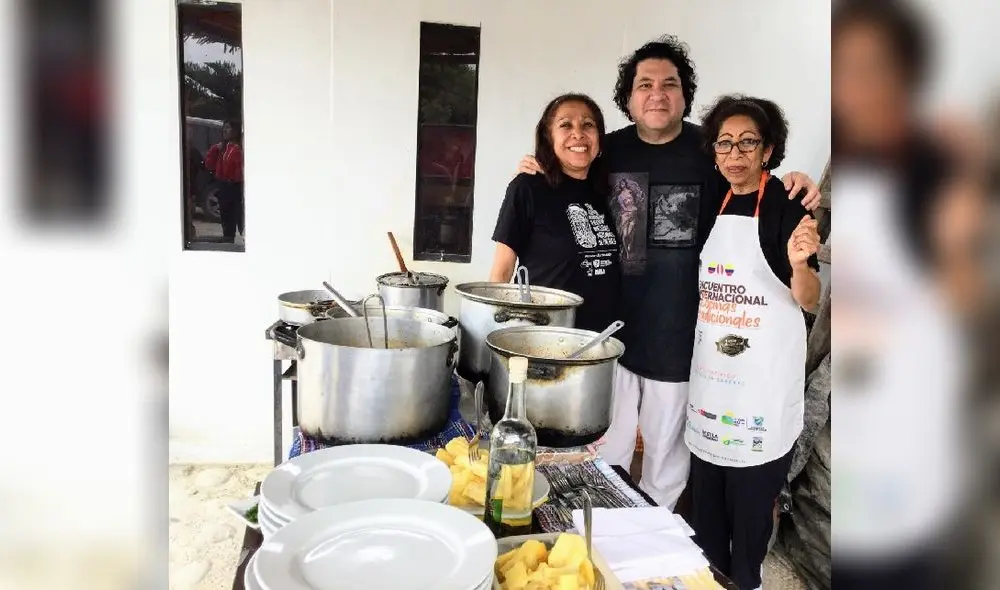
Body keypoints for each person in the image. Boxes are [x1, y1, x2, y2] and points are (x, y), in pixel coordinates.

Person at [517, 36, 822, 509]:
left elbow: (753, 177)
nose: (657, 93)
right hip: (609, 335)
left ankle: (651, 558)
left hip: (682, 338)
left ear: (684, 94)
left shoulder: (710, 151)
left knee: (666, 465)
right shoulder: (606, 151)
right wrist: (537, 168)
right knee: (603, 453)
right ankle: (601, 547)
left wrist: (794, 181)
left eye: (669, 84)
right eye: (645, 84)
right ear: (629, 98)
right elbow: (564, 174)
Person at [683, 94, 820, 590]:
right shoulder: (711, 203)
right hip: (713, 389)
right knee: (707, 524)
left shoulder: (785, 206)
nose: (735, 155)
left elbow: (808, 301)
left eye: (747, 143)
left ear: (768, 150)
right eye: (724, 144)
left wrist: (802, 265)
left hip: (759, 396)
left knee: (750, 524)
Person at [490, 93, 620, 332]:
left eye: (588, 125)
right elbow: (501, 271)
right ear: (549, 137)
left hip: (599, 339)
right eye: (565, 125)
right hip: (542, 336)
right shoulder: (527, 187)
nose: (578, 133)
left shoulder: (607, 191)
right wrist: (491, 329)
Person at [205, 119, 245, 241]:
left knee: (238, 217)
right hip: (224, 186)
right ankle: (228, 238)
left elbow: (238, 171)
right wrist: (215, 149)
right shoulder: (223, 148)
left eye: (228, 128)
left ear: (235, 131)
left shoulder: (237, 149)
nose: (225, 130)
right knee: (226, 217)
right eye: (224, 127)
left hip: (235, 186)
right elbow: (209, 164)